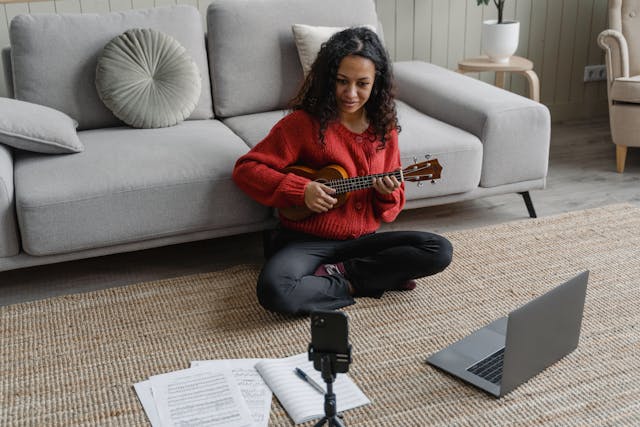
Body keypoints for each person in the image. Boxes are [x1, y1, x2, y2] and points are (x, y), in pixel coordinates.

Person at [232, 27, 452, 315]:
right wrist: (302, 190)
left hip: (363, 242)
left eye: (362, 84)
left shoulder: (384, 131)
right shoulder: (301, 125)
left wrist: (387, 194)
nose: (350, 93)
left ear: (377, 83)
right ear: (327, 80)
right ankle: (367, 279)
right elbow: (246, 170)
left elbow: (390, 211)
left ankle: (342, 275)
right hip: (306, 242)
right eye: (341, 81)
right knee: (276, 290)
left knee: (438, 250)